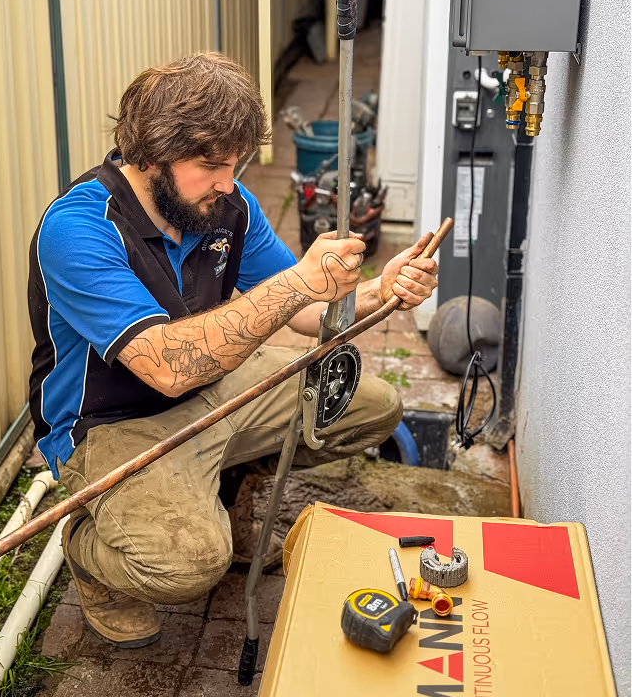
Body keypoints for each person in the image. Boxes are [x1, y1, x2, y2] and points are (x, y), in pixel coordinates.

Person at [28, 54, 438, 648]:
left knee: (364, 406)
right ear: (150, 152)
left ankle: (230, 493)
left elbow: (303, 310)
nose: (227, 181)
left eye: (237, 162)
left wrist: (382, 291)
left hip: (213, 388)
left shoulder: (227, 206)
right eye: (210, 164)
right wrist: (299, 282)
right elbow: (166, 368)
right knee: (187, 564)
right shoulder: (79, 228)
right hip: (109, 424)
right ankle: (90, 555)